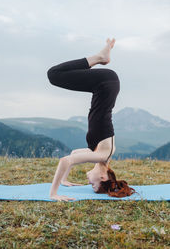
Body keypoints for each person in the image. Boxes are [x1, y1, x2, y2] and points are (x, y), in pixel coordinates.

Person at [47, 38, 135, 201]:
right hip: (105, 84)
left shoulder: (99, 155)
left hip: (105, 86)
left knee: (54, 75)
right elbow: (65, 160)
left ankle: (100, 57)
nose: (89, 183)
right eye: (93, 185)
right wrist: (54, 193)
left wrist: (65, 180)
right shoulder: (101, 156)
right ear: (103, 178)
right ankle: (99, 57)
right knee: (53, 74)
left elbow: (73, 154)